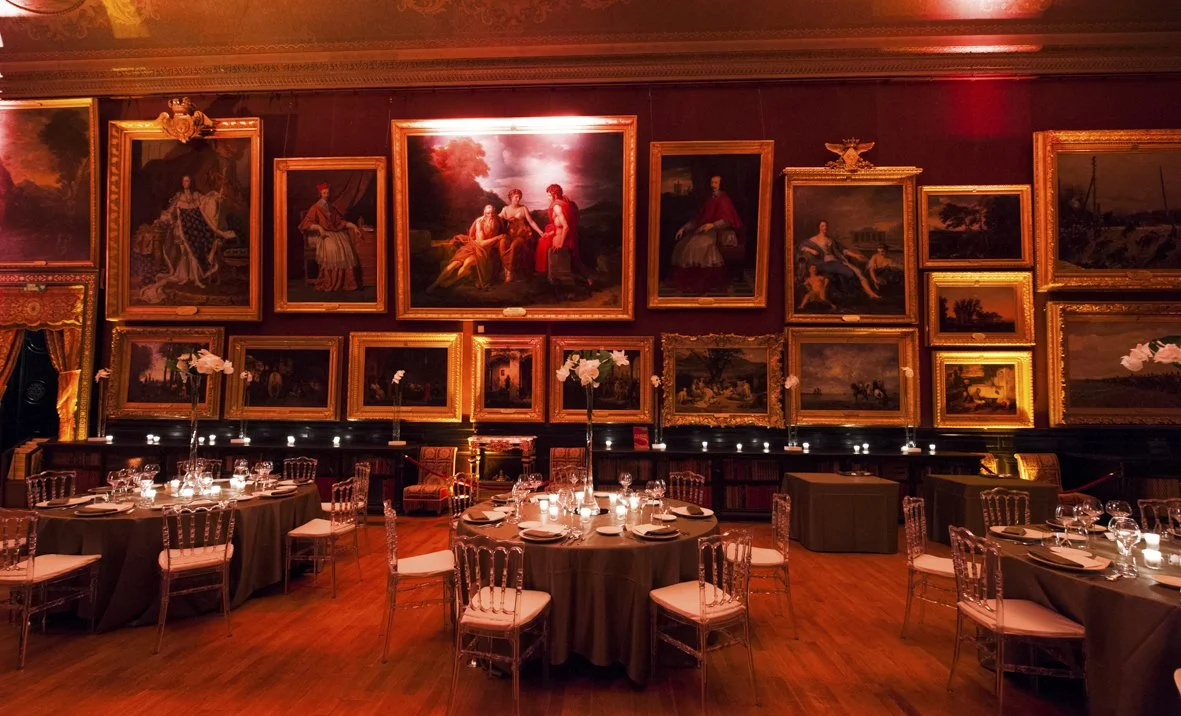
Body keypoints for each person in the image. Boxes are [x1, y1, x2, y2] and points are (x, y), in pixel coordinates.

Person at [139, 174, 237, 304]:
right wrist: (164, 219)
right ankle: (194, 279)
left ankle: (192, 277)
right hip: (182, 231)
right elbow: (170, 212)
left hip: (195, 230)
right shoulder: (179, 196)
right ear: (182, 183)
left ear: (191, 182)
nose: (187, 183)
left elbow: (206, 201)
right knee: (189, 254)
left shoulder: (196, 195)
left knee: (193, 253)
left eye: (188, 181)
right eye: (185, 181)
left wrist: (215, 196)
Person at [669, 175, 743, 294]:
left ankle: (705, 282)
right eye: (712, 182)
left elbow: (727, 221)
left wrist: (712, 225)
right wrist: (684, 227)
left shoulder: (724, 199)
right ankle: (692, 282)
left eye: (716, 183)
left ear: (721, 184)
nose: (713, 185)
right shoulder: (709, 200)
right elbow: (698, 218)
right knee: (683, 244)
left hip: (721, 232)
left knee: (698, 245)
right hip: (705, 230)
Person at [298, 182, 361, 292]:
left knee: (346, 245)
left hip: (334, 232)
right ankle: (330, 280)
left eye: (327, 193)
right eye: (324, 193)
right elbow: (306, 223)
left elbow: (339, 222)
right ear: (320, 194)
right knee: (333, 248)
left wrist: (354, 226)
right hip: (322, 234)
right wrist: (319, 228)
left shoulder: (331, 207)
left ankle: (344, 281)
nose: (326, 195)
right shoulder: (315, 208)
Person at [426, 204, 505, 292]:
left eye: (492, 213)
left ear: (495, 213)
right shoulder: (479, 222)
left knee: (467, 263)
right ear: (484, 213)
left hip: (483, 251)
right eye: (488, 213)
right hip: (474, 246)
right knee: (454, 264)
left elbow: (502, 231)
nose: (490, 215)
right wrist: (497, 237)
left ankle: (450, 282)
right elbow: (481, 243)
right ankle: (435, 284)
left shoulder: (498, 221)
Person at [796, 220, 880, 301]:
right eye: (823, 226)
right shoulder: (813, 240)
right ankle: (863, 292)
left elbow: (843, 250)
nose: (825, 227)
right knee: (850, 273)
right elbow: (801, 247)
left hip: (838, 260)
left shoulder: (831, 240)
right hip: (825, 263)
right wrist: (811, 250)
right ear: (819, 227)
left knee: (858, 272)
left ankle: (871, 294)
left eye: (826, 225)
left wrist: (855, 255)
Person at [534, 184, 588, 282]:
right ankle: (551, 278)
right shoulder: (560, 205)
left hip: (562, 238)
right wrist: (549, 234)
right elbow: (557, 227)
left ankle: (557, 279)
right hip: (559, 235)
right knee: (544, 242)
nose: (548, 198)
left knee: (564, 259)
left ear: (555, 195)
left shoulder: (557, 207)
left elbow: (566, 227)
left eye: (549, 195)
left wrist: (561, 244)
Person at [497, 188, 542, 283]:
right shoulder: (505, 209)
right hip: (510, 234)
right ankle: (507, 269)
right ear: (511, 197)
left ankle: (510, 271)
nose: (518, 199)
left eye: (519, 197)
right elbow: (497, 218)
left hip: (522, 234)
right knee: (502, 243)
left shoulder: (523, 208)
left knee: (514, 245)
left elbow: (531, 222)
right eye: (516, 197)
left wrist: (540, 232)